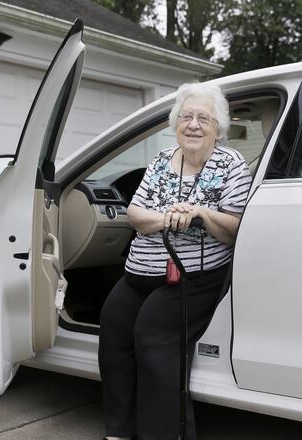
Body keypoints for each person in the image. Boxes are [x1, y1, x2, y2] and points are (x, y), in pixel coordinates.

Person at [98, 82, 252, 440]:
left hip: (194, 275)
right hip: (141, 271)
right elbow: (135, 213)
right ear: (175, 122)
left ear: (219, 127)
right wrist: (169, 217)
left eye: (203, 118)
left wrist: (199, 213)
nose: (193, 124)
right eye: (186, 116)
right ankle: (119, 431)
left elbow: (234, 228)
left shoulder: (231, 165)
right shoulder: (160, 161)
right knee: (114, 326)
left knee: (152, 335)